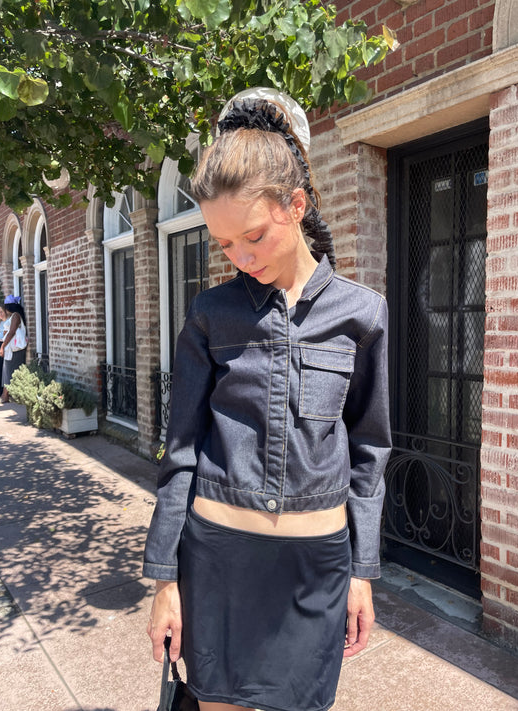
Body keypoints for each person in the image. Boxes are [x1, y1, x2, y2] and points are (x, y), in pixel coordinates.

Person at [143, 88, 391, 711]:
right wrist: (165, 578)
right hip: (218, 560)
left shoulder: (362, 314)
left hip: (316, 566)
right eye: (225, 245)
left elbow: (368, 451)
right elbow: (181, 453)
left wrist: (364, 571)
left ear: (296, 205)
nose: (240, 257)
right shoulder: (209, 315)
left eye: (251, 235)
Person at [0, 295, 27, 403]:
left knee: (11, 371)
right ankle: (7, 394)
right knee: (7, 371)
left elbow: (12, 332)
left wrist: (2, 346)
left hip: (15, 349)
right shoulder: (13, 317)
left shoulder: (16, 316)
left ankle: (5, 395)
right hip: (10, 349)